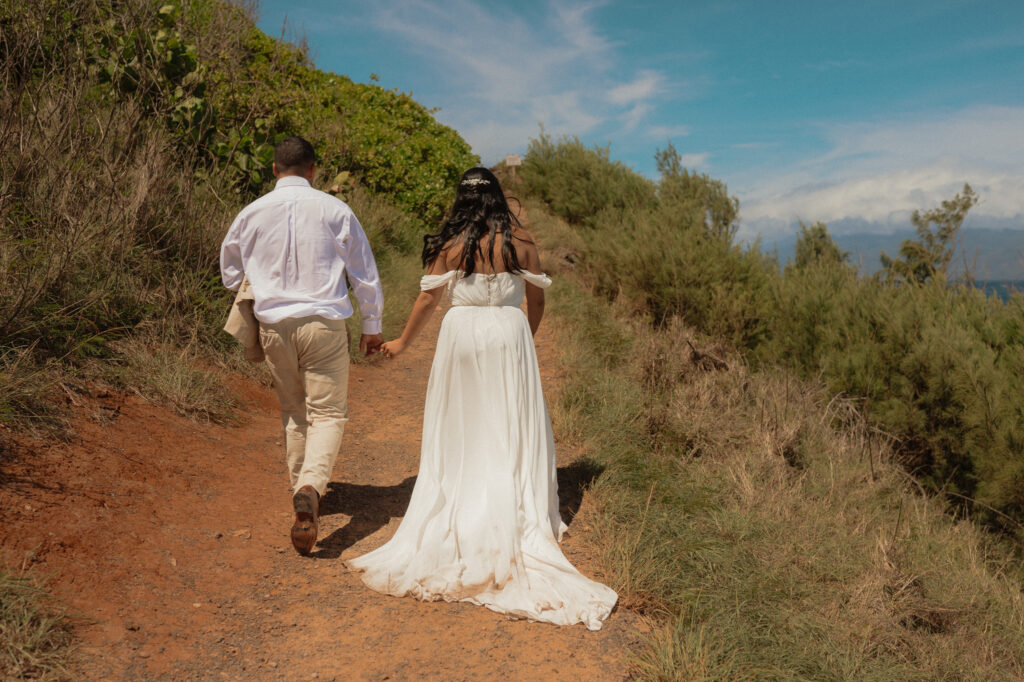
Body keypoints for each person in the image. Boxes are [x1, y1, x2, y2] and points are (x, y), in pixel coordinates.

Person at [346, 167, 617, 630]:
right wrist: (522, 341)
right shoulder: (523, 242)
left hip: (463, 335)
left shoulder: (452, 244)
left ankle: (464, 500)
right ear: (497, 198)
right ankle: (512, 501)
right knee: (509, 423)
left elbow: (428, 301)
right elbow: (537, 301)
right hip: (509, 334)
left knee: (463, 423)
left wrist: (400, 345)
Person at [220, 136, 384, 555]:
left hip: (274, 325)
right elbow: (363, 270)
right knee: (327, 412)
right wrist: (372, 324)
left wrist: (265, 280)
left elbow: (229, 271)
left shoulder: (251, 213)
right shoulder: (335, 209)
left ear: (274, 169)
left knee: (295, 413)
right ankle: (311, 487)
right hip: (324, 323)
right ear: (313, 170)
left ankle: (302, 496)